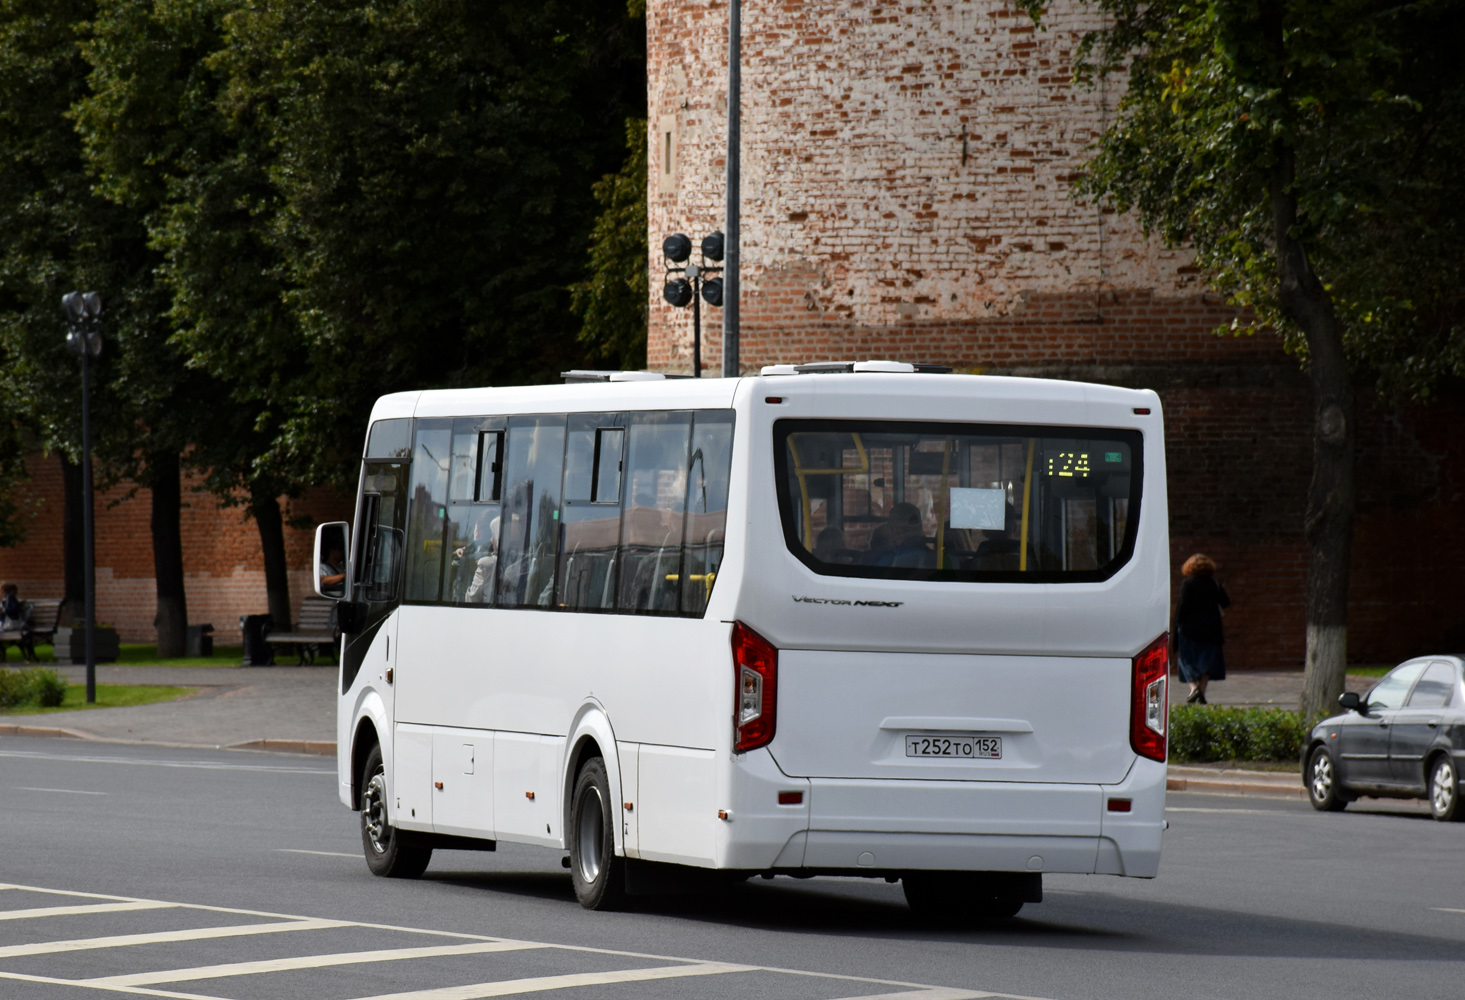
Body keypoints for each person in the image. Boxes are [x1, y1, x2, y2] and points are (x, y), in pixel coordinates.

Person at [1174, 553, 1230, 704]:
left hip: (1189, 629)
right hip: (1212, 629)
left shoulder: (1188, 584)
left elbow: (1183, 607)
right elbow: (1225, 602)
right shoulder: (1214, 583)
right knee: (1208, 662)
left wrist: (1177, 625)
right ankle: (1202, 692)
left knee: (1185, 660)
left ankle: (1193, 688)